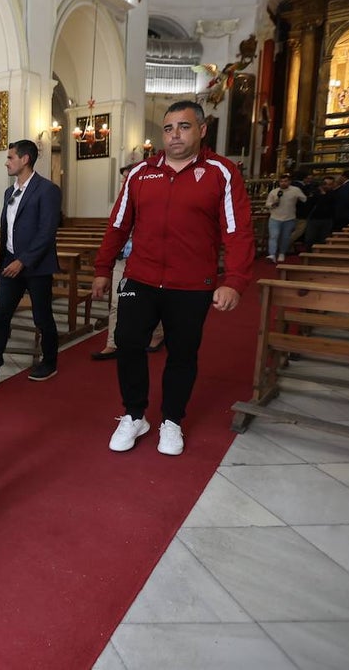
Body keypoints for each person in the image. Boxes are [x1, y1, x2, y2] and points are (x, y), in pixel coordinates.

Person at [92, 100, 254, 457]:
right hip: (140, 278)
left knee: (182, 353)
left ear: (201, 130)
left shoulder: (221, 172)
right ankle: (135, 414)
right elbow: (118, 225)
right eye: (168, 128)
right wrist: (103, 269)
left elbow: (238, 231)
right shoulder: (140, 174)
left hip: (192, 285)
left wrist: (235, 280)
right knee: (127, 341)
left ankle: (171, 420)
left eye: (183, 126)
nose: (174, 135)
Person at [0, 139, 62, 386]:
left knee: (42, 317)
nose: (6, 162)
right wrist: (5, 260)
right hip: (10, 265)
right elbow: (10, 229)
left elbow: (46, 232)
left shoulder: (47, 190)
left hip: (37, 267)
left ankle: (50, 361)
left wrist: (23, 261)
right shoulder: (10, 192)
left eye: (10, 158)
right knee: (1, 316)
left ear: (25, 159)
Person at [91, 164, 164, 361]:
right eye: (123, 178)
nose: (124, 181)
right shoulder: (122, 200)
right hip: (122, 259)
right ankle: (112, 344)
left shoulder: (149, 200)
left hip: (143, 261)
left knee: (151, 303)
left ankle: (157, 336)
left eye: (127, 177)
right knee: (116, 303)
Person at [264, 173, 306, 263]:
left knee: (285, 237)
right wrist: (273, 204)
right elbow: (267, 204)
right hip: (275, 217)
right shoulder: (274, 192)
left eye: (285, 181)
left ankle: (282, 253)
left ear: (289, 182)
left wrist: (299, 198)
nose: (283, 183)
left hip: (289, 218)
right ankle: (272, 254)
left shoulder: (295, 190)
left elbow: (304, 199)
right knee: (273, 236)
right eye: (281, 181)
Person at [304, 175, 338, 248]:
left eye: (329, 184)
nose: (327, 186)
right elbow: (309, 203)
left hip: (327, 219)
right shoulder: (315, 192)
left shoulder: (334, 193)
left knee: (323, 239)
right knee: (310, 238)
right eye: (325, 184)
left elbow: (330, 202)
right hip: (314, 219)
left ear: (332, 185)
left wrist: (323, 193)